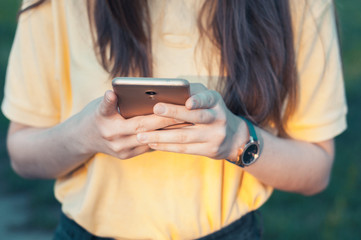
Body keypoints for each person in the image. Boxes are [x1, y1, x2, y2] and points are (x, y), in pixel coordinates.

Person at [2, 0, 347, 239]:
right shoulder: (58, 6)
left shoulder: (297, 6)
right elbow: (22, 154)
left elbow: (316, 170)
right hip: (84, 233)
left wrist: (238, 140)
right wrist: (84, 136)